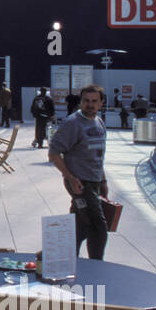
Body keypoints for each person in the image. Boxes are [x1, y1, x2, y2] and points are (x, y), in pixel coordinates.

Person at [48, 85, 108, 259]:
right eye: (86, 101)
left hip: (94, 181)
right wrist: (71, 178)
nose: (90, 105)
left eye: (94, 101)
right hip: (80, 183)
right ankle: (97, 265)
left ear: (101, 103)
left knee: (80, 226)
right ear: (81, 102)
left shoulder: (99, 122)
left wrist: (103, 181)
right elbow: (53, 154)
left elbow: (98, 155)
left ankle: (56, 258)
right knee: (98, 225)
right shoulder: (72, 123)